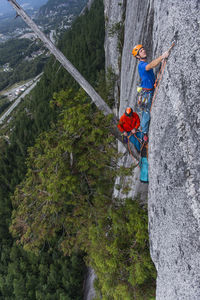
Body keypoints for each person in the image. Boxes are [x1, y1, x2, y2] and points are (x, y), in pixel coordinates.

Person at [132, 45, 169, 135]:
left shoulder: (143, 63)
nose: (143, 51)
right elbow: (151, 65)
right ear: (137, 56)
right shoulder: (142, 65)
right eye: (140, 51)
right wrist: (162, 57)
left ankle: (143, 131)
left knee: (146, 112)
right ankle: (144, 133)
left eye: (143, 49)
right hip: (146, 93)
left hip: (148, 89)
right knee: (146, 113)